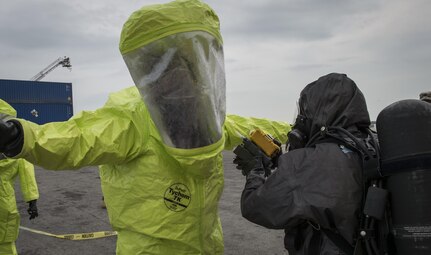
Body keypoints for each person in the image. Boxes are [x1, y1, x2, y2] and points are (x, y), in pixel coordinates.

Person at [0, 0, 290, 254]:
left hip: (206, 245)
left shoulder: (205, 118)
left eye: (184, 70)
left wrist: (294, 129)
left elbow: (249, 126)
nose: (179, 81)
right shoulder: (132, 119)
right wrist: (22, 135)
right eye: (168, 72)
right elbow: (80, 137)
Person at [233, 73, 372, 254]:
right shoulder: (372, 146)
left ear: (318, 111)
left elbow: (256, 206)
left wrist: (255, 171)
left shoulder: (308, 162)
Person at [0, 99, 39, 255]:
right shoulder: (16, 145)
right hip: (4, 202)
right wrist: (32, 200)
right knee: (5, 243)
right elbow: (27, 172)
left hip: (4, 201)